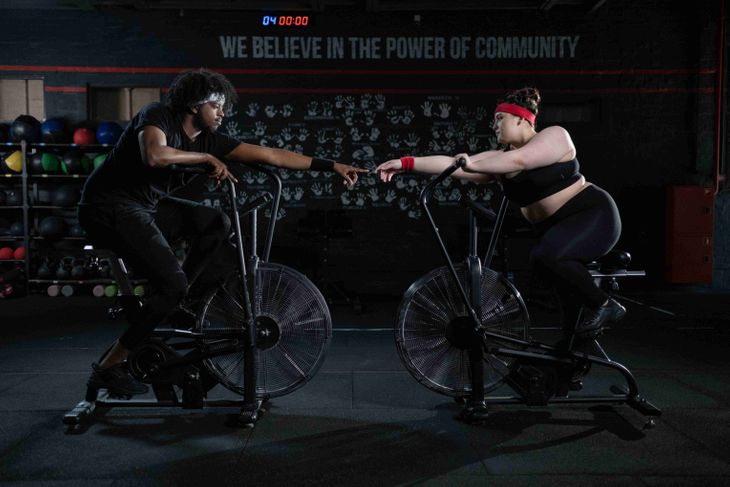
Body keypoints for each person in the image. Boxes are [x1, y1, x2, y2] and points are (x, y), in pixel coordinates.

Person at [79, 68, 367, 396]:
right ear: (193, 105)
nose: (222, 113)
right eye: (216, 105)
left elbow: (271, 155)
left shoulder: (211, 140)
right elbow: (154, 155)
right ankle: (108, 367)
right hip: (106, 207)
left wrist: (332, 165)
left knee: (215, 222)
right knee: (170, 285)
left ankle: (180, 296)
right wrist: (204, 157)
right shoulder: (157, 116)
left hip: (144, 207)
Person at [376, 87, 625, 346]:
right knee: (567, 305)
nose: (493, 125)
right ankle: (566, 368)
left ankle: (607, 305)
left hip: (593, 217)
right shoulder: (498, 158)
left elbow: (520, 161)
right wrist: (405, 163)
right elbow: (453, 164)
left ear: (521, 119)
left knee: (545, 257)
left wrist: (470, 163)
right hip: (558, 230)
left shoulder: (555, 136)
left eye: (499, 119)